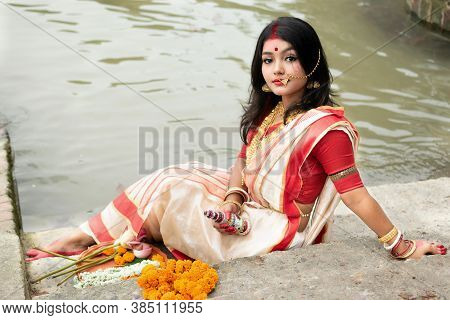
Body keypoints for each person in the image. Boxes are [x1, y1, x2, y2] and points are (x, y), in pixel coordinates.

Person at [26, 17, 446, 264]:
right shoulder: (272, 109)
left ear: (312, 64)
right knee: (173, 172)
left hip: (280, 228)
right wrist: (231, 200)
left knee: (178, 193)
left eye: (289, 58)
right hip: (246, 207)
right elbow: (241, 164)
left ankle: (100, 241)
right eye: (268, 59)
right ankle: (88, 235)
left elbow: (356, 197)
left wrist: (402, 245)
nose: (276, 70)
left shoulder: (325, 129)